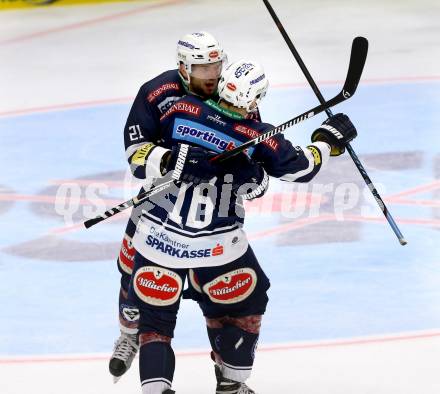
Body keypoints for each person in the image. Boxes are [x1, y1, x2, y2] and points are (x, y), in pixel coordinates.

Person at [127, 60, 358, 393]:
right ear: (254, 99)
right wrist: (326, 142)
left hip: (156, 238)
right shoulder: (260, 138)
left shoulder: (179, 109)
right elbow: (300, 168)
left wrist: (187, 156)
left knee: (155, 325)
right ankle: (232, 383)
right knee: (247, 302)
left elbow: (158, 147)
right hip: (216, 247)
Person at [110, 31, 231, 382]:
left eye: (216, 64)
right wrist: (170, 160)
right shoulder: (156, 92)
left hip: (213, 207)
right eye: (203, 67)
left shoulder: (232, 92)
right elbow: (136, 151)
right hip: (161, 200)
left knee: (224, 293)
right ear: (183, 67)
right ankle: (130, 332)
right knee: (133, 272)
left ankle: (230, 375)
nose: (212, 74)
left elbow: (249, 142)